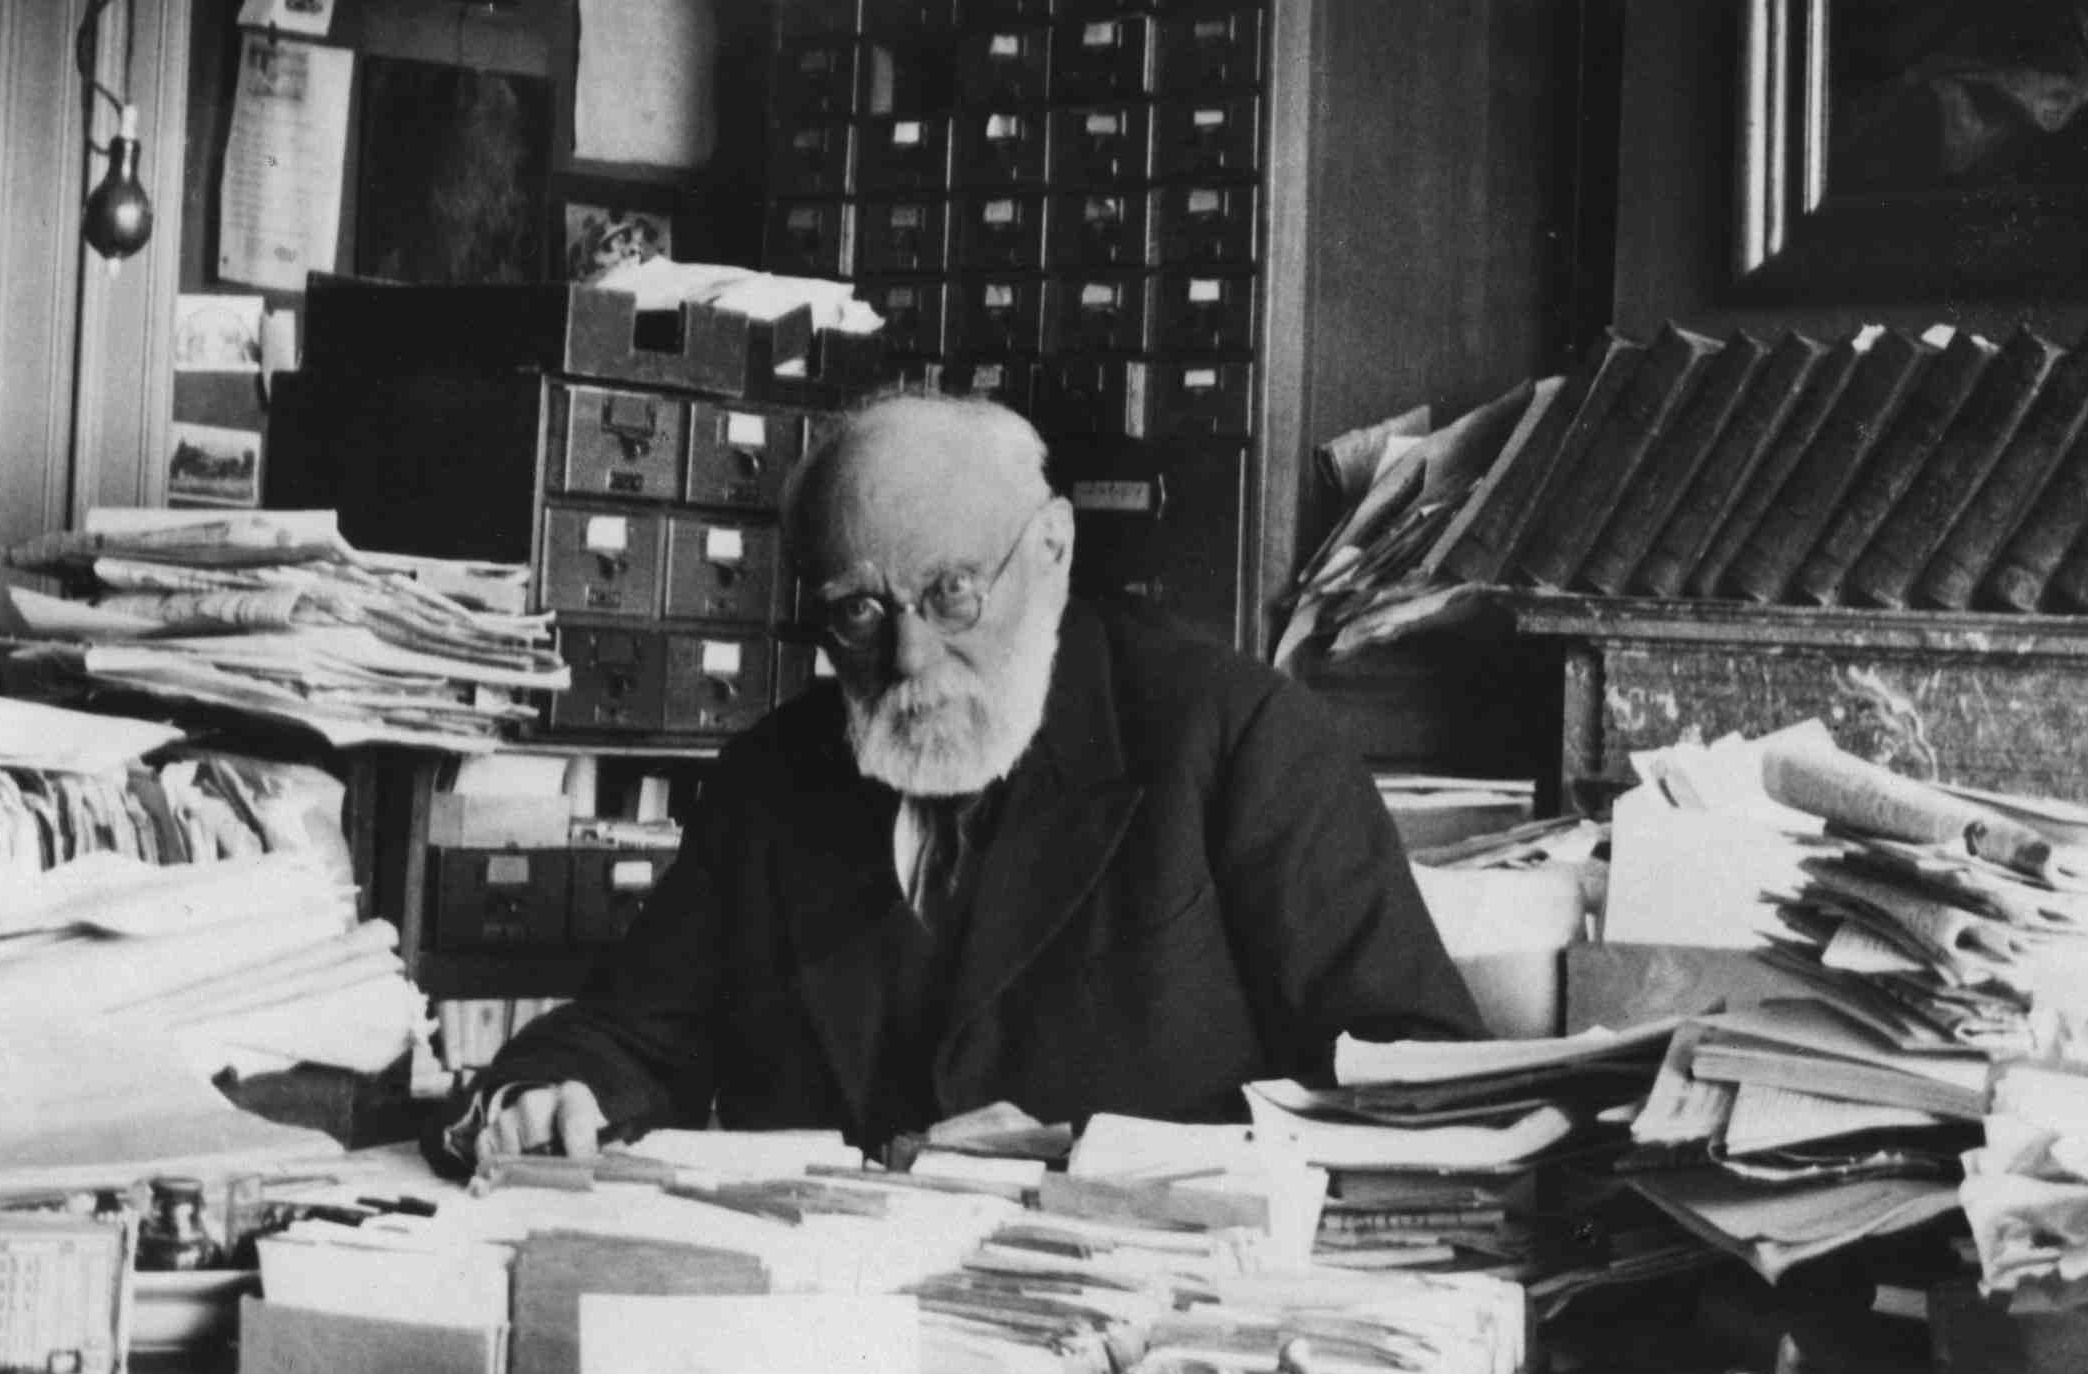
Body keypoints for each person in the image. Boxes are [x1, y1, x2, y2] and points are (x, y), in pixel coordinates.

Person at [439, 391, 1481, 1171]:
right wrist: (548, 1092)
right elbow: (629, 1031)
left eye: (951, 594)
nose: (908, 659)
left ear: (1055, 550)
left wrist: (1095, 1155)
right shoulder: (771, 781)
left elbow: (1416, 1081)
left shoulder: (1238, 740)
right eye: (858, 611)